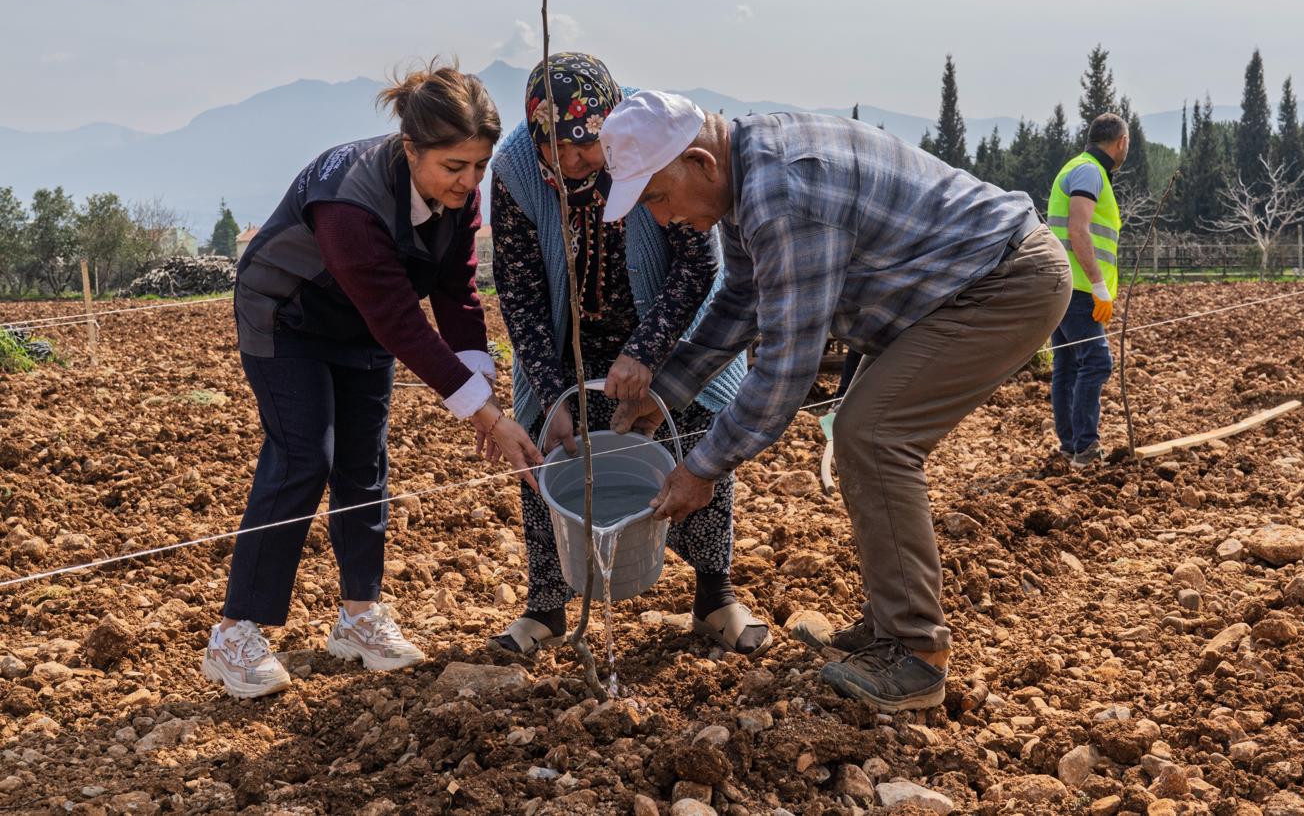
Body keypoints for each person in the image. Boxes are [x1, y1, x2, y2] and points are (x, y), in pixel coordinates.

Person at [602, 95, 1070, 712]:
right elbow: (742, 301)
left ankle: (915, 655)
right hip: (945, 290)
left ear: (699, 162)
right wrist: (666, 393)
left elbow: (786, 368)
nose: (662, 219)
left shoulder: (782, 195)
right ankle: (889, 627)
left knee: (872, 436)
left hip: (1001, 282)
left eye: (659, 197)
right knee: (863, 433)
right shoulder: (745, 178)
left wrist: (702, 467)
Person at [206, 62, 542, 699]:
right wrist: (489, 418)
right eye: (454, 167)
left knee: (364, 461)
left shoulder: (459, 194)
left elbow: (455, 289)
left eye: (479, 166)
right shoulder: (349, 203)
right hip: (287, 317)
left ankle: (359, 618)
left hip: (360, 322)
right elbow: (398, 321)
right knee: (303, 456)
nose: (469, 181)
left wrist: (484, 388)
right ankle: (234, 635)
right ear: (411, 148)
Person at [486, 55, 767, 657]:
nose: (572, 162)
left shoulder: (647, 136)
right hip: (565, 339)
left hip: (669, 327)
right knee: (552, 451)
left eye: (585, 148)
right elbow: (520, 291)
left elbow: (699, 263)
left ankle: (713, 597)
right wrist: (552, 391)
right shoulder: (515, 170)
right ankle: (545, 606)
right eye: (556, 149)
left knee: (693, 435)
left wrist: (645, 352)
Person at [1045, 114, 1129, 468]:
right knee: (1096, 361)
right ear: (1121, 142)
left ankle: (1071, 447)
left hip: (1061, 284)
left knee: (1067, 364)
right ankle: (1086, 449)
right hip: (1078, 287)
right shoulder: (1089, 172)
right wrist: (1097, 285)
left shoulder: (1077, 168)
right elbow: (1079, 229)